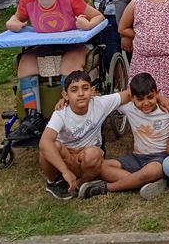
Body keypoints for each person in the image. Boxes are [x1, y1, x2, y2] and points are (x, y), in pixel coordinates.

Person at [5, 0, 104, 139]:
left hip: (75, 45)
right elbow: (14, 20)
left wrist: (87, 24)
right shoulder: (28, 2)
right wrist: (12, 24)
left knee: (68, 65)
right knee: (26, 62)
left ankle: (69, 111)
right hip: (44, 46)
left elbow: (99, 16)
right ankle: (33, 118)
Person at [78, 73, 169, 201]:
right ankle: (144, 182)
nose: (146, 103)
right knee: (101, 166)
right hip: (136, 157)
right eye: (140, 99)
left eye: (150, 97)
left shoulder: (168, 107)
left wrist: (161, 98)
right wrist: (67, 99)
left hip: (160, 158)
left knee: (152, 171)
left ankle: (107, 187)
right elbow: (100, 100)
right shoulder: (128, 107)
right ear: (132, 98)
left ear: (157, 93)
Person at [38, 70, 131, 199]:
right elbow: (44, 142)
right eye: (74, 90)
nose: (81, 94)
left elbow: (129, 94)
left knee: (94, 153)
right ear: (65, 95)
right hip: (67, 157)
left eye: (85, 88)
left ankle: (81, 184)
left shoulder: (100, 103)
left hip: (87, 157)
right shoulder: (61, 113)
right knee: (49, 146)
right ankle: (53, 182)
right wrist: (65, 171)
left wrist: (159, 98)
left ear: (92, 90)